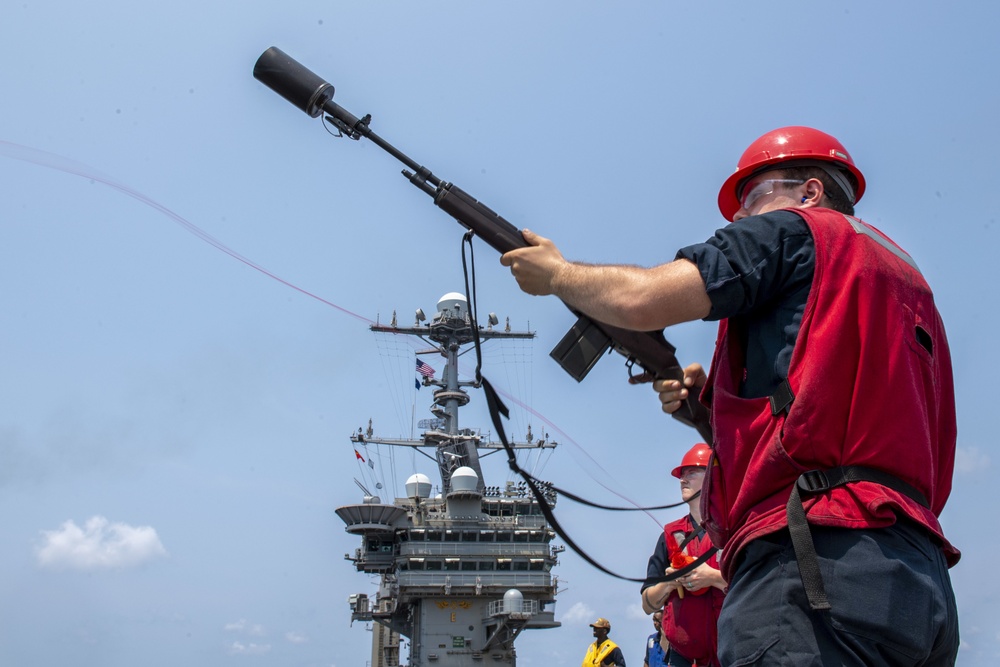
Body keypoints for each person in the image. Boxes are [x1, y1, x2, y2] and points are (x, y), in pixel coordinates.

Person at [500, 126, 960, 665]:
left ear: (809, 192)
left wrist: (557, 274)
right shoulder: (906, 279)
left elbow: (640, 299)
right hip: (917, 575)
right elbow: (832, 412)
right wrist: (707, 411)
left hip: (811, 565)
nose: (739, 218)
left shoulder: (792, 231)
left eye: (753, 197)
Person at [641, 443, 724, 667]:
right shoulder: (669, 536)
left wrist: (713, 578)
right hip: (683, 658)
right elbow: (647, 604)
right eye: (681, 474)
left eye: (691, 473)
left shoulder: (735, 530)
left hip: (730, 654)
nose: (682, 480)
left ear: (712, 478)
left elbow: (759, 586)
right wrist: (669, 583)